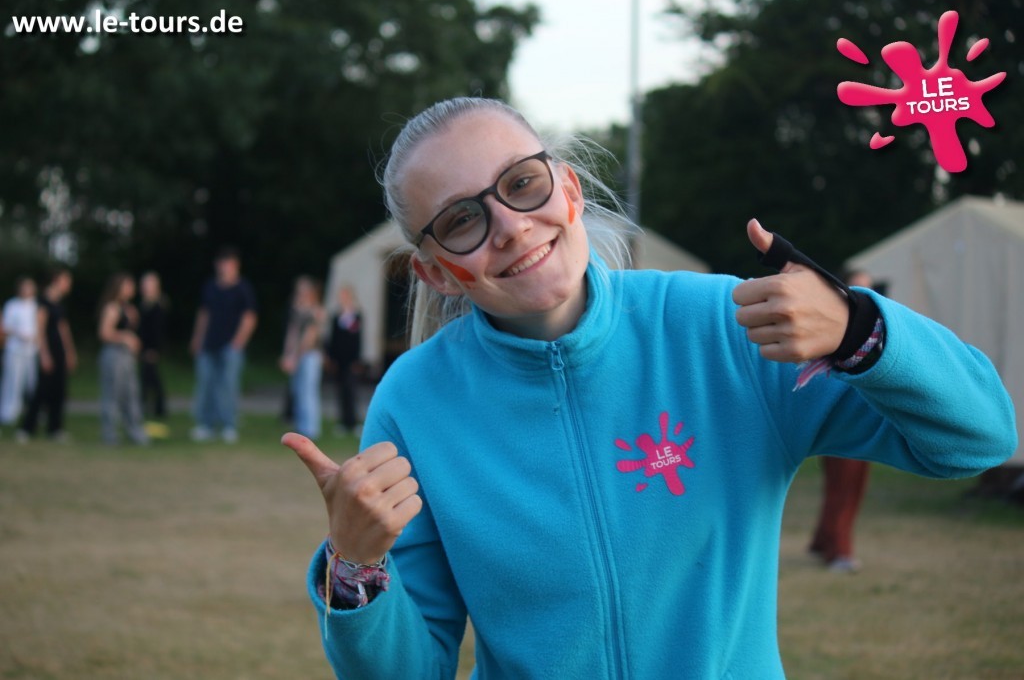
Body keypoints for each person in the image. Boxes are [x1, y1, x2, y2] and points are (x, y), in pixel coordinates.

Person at [282, 98, 1017, 679]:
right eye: (461, 220)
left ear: (569, 190)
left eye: (521, 183)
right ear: (436, 271)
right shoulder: (414, 402)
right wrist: (356, 569)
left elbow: (978, 437)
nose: (509, 225)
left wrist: (859, 328)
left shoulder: (727, 329)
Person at [808, 270, 877, 573]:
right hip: (840, 418)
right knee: (843, 487)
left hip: (862, 414)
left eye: (869, 289)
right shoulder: (833, 327)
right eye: (858, 288)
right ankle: (839, 550)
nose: (865, 294)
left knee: (853, 486)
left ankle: (824, 540)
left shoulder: (875, 327)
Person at [189, 246, 258, 443]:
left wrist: (238, 341)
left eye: (228, 263)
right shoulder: (211, 286)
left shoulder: (243, 288)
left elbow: (250, 317)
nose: (224, 267)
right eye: (221, 263)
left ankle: (229, 425)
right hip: (208, 345)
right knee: (206, 384)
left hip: (230, 347)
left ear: (236, 265)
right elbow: (204, 314)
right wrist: (197, 338)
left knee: (228, 386)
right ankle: (206, 425)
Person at [19, 268, 77, 442]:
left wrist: (69, 351)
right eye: (66, 281)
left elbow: (63, 330)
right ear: (57, 281)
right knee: (41, 390)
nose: (69, 285)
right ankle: (26, 428)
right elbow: (40, 329)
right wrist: (44, 354)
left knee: (59, 390)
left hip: (59, 351)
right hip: (48, 351)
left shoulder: (59, 304)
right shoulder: (44, 302)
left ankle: (55, 428)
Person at [97, 273, 148, 446]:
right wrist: (125, 337)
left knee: (131, 393)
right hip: (113, 355)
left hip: (127, 357)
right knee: (112, 395)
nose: (131, 289)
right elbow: (104, 333)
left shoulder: (129, 308)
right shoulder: (112, 308)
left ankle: (135, 431)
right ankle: (110, 434)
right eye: (128, 285)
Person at [280, 276, 324, 440]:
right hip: (297, 355)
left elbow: (309, 338)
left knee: (308, 391)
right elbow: (291, 334)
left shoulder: (316, 311)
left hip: (310, 356)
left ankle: (311, 429)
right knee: (297, 390)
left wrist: (295, 357)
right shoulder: (296, 310)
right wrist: (287, 355)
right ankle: (300, 426)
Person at [1, 277, 39, 431]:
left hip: (31, 351)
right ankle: (8, 414)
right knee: (12, 382)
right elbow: (6, 327)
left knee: (32, 383)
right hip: (15, 349)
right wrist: (20, 335)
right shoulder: (12, 305)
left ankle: (31, 414)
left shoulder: (35, 306)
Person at [325, 285, 363, 436]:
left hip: (351, 360)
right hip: (338, 360)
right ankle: (343, 422)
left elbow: (358, 339)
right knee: (340, 390)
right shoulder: (337, 317)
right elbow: (333, 339)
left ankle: (353, 421)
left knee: (351, 390)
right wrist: (331, 357)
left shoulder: (356, 316)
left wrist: (357, 360)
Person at [138, 271, 168, 422]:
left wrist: (153, 349)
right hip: (144, 347)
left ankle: (158, 408)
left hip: (151, 348)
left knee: (150, 379)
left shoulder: (157, 305)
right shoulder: (144, 304)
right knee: (148, 378)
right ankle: (153, 408)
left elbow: (157, 331)